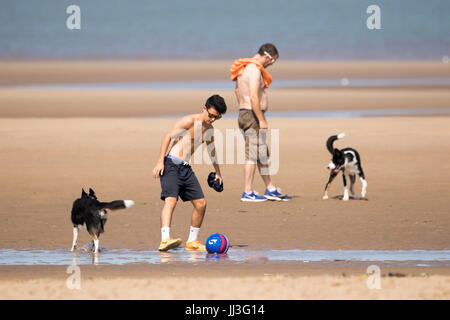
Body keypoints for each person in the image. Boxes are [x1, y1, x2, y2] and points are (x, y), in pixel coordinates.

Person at [152, 94, 226, 251]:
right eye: (211, 115)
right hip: (171, 164)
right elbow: (167, 137)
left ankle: (192, 241)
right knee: (171, 200)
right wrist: (160, 161)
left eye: (216, 118)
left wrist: (218, 172)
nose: (212, 119)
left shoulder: (209, 130)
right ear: (204, 108)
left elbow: (212, 152)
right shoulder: (189, 121)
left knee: (201, 204)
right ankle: (165, 239)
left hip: (185, 168)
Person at [231, 43, 289, 202]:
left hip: (245, 114)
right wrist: (261, 120)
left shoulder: (242, 69)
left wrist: (243, 110)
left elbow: (237, 91)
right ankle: (247, 192)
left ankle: (270, 188)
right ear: (267, 56)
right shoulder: (254, 70)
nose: (271, 64)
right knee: (253, 154)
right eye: (273, 61)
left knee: (261, 154)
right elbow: (253, 97)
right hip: (253, 116)